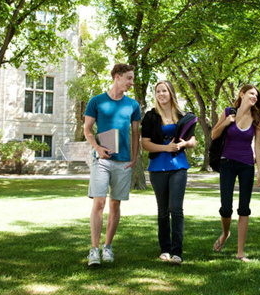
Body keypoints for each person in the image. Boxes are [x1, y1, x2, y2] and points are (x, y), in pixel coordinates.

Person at [84, 63, 141, 266]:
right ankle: (94, 250)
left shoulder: (133, 105)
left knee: (115, 203)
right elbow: (87, 129)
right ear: (117, 77)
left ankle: (108, 247)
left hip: (123, 162)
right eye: (129, 78)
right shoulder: (96, 101)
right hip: (101, 160)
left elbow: (135, 134)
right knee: (99, 203)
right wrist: (98, 148)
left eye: (132, 79)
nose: (131, 83)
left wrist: (134, 159)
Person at [141, 81, 197, 265]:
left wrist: (183, 144)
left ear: (171, 92)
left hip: (178, 166)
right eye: (158, 91)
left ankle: (177, 252)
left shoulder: (183, 116)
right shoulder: (150, 116)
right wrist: (165, 148)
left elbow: (193, 141)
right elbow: (145, 143)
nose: (161, 94)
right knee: (163, 210)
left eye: (164, 90)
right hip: (157, 166)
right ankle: (164, 249)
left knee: (176, 209)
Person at [211, 84, 260, 262]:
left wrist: (259, 171)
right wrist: (227, 122)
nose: (254, 97)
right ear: (241, 94)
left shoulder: (257, 118)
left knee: (244, 208)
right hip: (227, 162)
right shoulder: (228, 112)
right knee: (226, 207)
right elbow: (213, 134)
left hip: (246, 165)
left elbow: (257, 145)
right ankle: (226, 233)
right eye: (251, 93)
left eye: (256, 95)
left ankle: (240, 252)